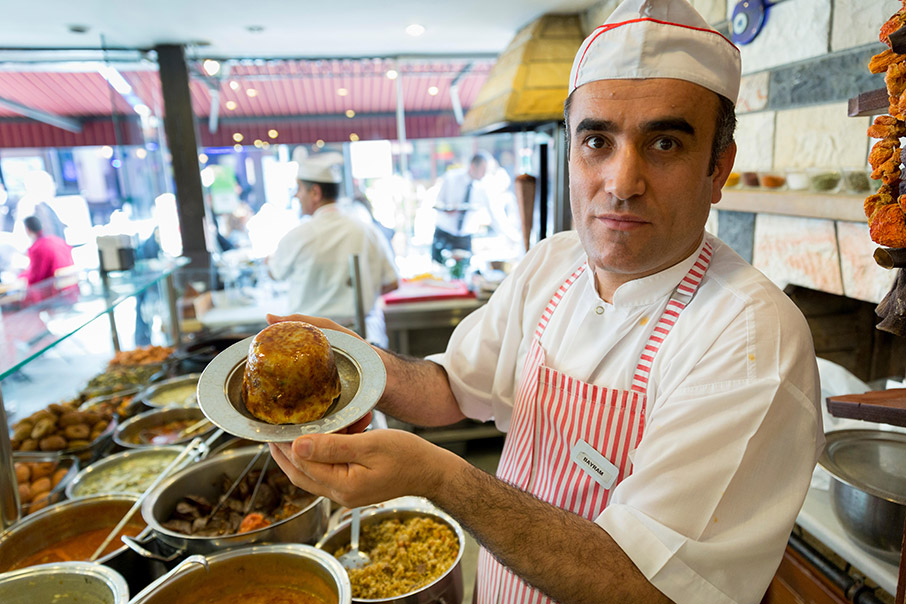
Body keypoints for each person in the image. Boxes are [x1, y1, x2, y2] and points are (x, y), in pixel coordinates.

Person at [268, 1, 823, 602]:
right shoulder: (553, 264)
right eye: (596, 141)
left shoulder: (749, 338)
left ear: (718, 169)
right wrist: (353, 362)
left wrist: (438, 476)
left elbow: (646, 584)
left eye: (664, 143)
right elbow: (454, 387)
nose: (621, 182)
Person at [267, 152, 399, 345]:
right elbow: (392, 282)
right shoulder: (367, 230)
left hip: (310, 341)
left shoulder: (298, 235)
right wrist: (363, 290)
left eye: (299, 188)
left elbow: (274, 272)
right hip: (363, 336)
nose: (296, 195)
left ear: (315, 193)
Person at [431, 151, 492, 264]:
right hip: (445, 232)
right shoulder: (451, 178)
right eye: (483, 170)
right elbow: (437, 202)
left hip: (464, 237)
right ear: (473, 166)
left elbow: (494, 214)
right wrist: (446, 209)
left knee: (463, 273)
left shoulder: (483, 187)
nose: (484, 174)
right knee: (439, 269)